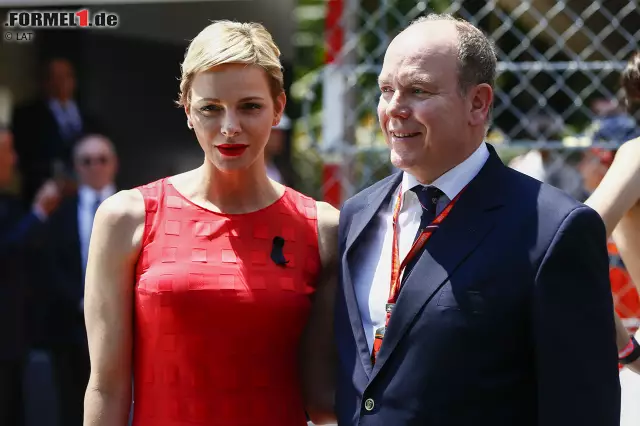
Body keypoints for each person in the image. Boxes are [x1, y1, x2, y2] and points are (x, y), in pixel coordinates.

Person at [334, 13, 620, 426]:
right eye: (386, 89)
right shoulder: (357, 216)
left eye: (418, 90)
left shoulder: (553, 229)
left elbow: (581, 409)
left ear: (478, 103)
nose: (395, 108)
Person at [83, 21, 338, 426]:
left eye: (250, 106)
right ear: (187, 110)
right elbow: (106, 386)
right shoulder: (127, 218)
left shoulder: (322, 229)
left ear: (278, 108)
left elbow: (326, 399)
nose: (229, 127)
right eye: (210, 108)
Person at [45, 134, 118, 426]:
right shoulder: (59, 212)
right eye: (87, 161)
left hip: (121, 327)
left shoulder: (139, 207)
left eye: (102, 159)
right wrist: (81, 301)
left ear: (114, 163)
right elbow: (49, 267)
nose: (95, 167)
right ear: (76, 167)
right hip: (70, 328)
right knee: (71, 405)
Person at [0, 126, 60, 425]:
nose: (14, 159)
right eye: (8, 150)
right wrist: (38, 214)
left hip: (16, 338)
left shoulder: (10, 203)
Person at [11, 57, 103, 206]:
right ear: (45, 81)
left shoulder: (91, 120)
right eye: (55, 77)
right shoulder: (27, 115)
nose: (61, 81)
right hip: (43, 197)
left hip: (85, 199)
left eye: (66, 76)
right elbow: (24, 158)